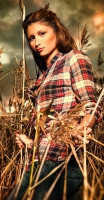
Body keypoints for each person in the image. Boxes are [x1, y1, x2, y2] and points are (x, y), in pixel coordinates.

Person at [7, 5, 102, 200]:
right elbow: (49, 129)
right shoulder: (44, 76)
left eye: (42, 33)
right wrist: (31, 143)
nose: (36, 42)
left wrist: (82, 129)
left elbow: (91, 105)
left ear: (57, 32)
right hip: (40, 161)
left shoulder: (73, 59)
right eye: (32, 38)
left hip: (61, 163)